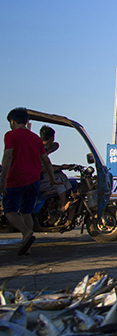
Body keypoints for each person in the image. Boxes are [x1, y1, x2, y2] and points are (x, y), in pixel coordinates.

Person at [1, 108, 55, 255]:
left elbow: (8, 157)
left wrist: (3, 180)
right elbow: (46, 160)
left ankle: (26, 232)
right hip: (34, 181)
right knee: (26, 212)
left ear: (12, 121)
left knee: (9, 211)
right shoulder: (35, 138)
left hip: (16, 179)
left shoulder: (10, 135)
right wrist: (51, 179)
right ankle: (27, 246)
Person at [38, 125, 72, 218]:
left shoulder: (41, 147)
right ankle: (63, 206)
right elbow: (44, 168)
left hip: (39, 178)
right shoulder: (39, 150)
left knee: (58, 175)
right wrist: (61, 167)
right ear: (52, 138)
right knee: (60, 178)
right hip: (38, 180)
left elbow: (56, 145)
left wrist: (48, 148)